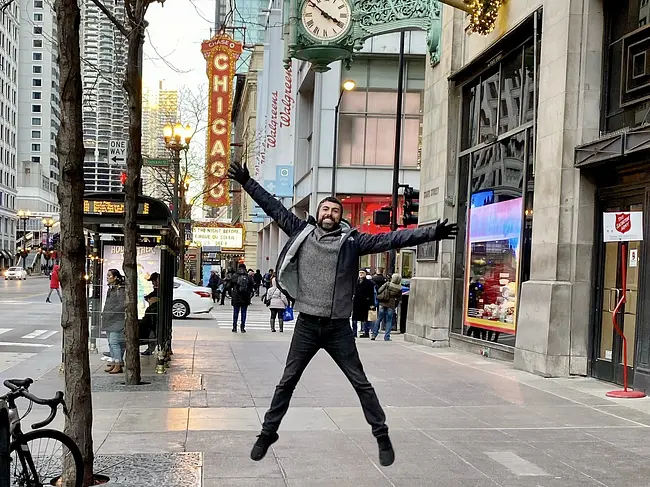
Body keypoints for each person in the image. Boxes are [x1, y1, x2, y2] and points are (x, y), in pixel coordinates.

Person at [227, 160, 459, 467]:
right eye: (325, 209)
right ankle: (268, 433)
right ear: (318, 213)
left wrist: (431, 233)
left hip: (338, 328)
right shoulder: (301, 231)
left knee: (360, 382)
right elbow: (272, 207)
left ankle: (381, 434)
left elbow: (392, 239)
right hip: (307, 324)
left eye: (335, 211)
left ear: (341, 217)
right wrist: (246, 182)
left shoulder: (353, 242)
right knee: (287, 381)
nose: (329, 214)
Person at [101, 269, 126, 374]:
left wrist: (111, 312)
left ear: (115, 277)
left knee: (114, 342)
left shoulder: (119, 289)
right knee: (111, 343)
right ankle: (114, 362)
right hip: (109, 319)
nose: (107, 277)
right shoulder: (111, 288)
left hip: (117, 319)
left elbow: (122, 304)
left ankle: (118, 363)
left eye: (109, 275)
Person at [373, 273, 403, 341]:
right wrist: (395, 306)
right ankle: (387, 337)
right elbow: (399, 299)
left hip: (383, 303)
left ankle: (374, 334)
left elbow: (379, 290)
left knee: (379, 319)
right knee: (389, 321)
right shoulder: (399, 288)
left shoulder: (388, 284)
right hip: (391, 305)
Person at [228, 263, 254, 333]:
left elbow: (229, 286)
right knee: (244, 312)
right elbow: (252, 287)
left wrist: (231, 295)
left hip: (236, 296)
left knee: (235, 312)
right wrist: (249, 295)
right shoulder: (248, 277)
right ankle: (242, 327)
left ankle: (234, 327)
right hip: (245, 297)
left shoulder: (235, 276)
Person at [352, 269, 375, 338]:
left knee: (365, 318)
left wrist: (371, 303)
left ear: (365, 274)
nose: (361, 274)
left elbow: (371, 294)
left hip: (365, 303)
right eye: (360, 273)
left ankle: (366, 332)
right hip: (356, 303)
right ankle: (354, 332)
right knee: (354, 319)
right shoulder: (355, 282)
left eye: (362, 273)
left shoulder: (369, 283)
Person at [139, 290, 158, 356]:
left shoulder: (151, 308)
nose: (148, 301)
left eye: (149, 299)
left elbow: (146, 321)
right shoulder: (155, 307)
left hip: (150, 328)